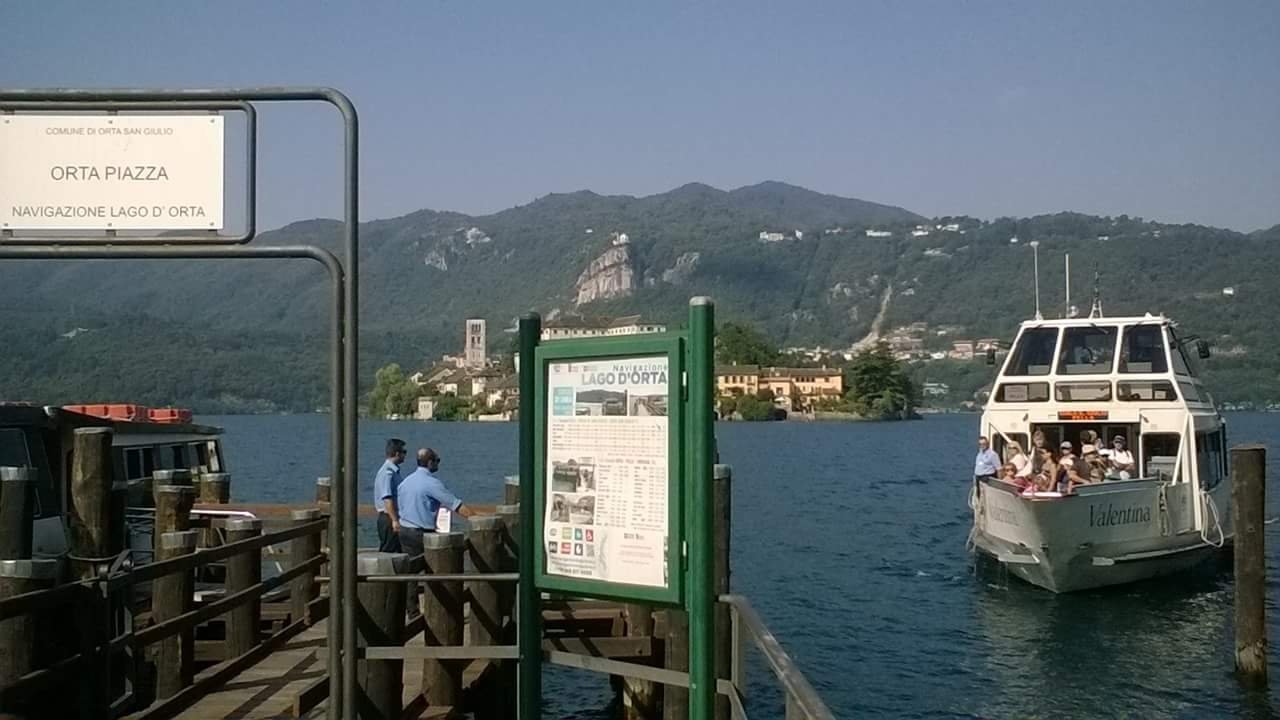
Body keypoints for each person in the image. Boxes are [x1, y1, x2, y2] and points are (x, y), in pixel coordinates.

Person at [396, 447, 477, 558]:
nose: (438, 463)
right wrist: (477, 519)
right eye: (437, 460)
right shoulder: (431, 483)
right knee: (435, 564)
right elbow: (455, 505)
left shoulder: (405, 482)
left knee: (412, 567)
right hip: (421, 534)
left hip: (404, 531)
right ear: (430, 462)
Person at [373, 438, 407, 553]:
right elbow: (387, 498)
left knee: (396, 550)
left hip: (392, 516)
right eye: (404, 452)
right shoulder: (387, 473)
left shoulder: (393, 472)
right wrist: (394, 520)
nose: (405, 455)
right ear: (397, 453)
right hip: (388, 517)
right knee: (388, 551)